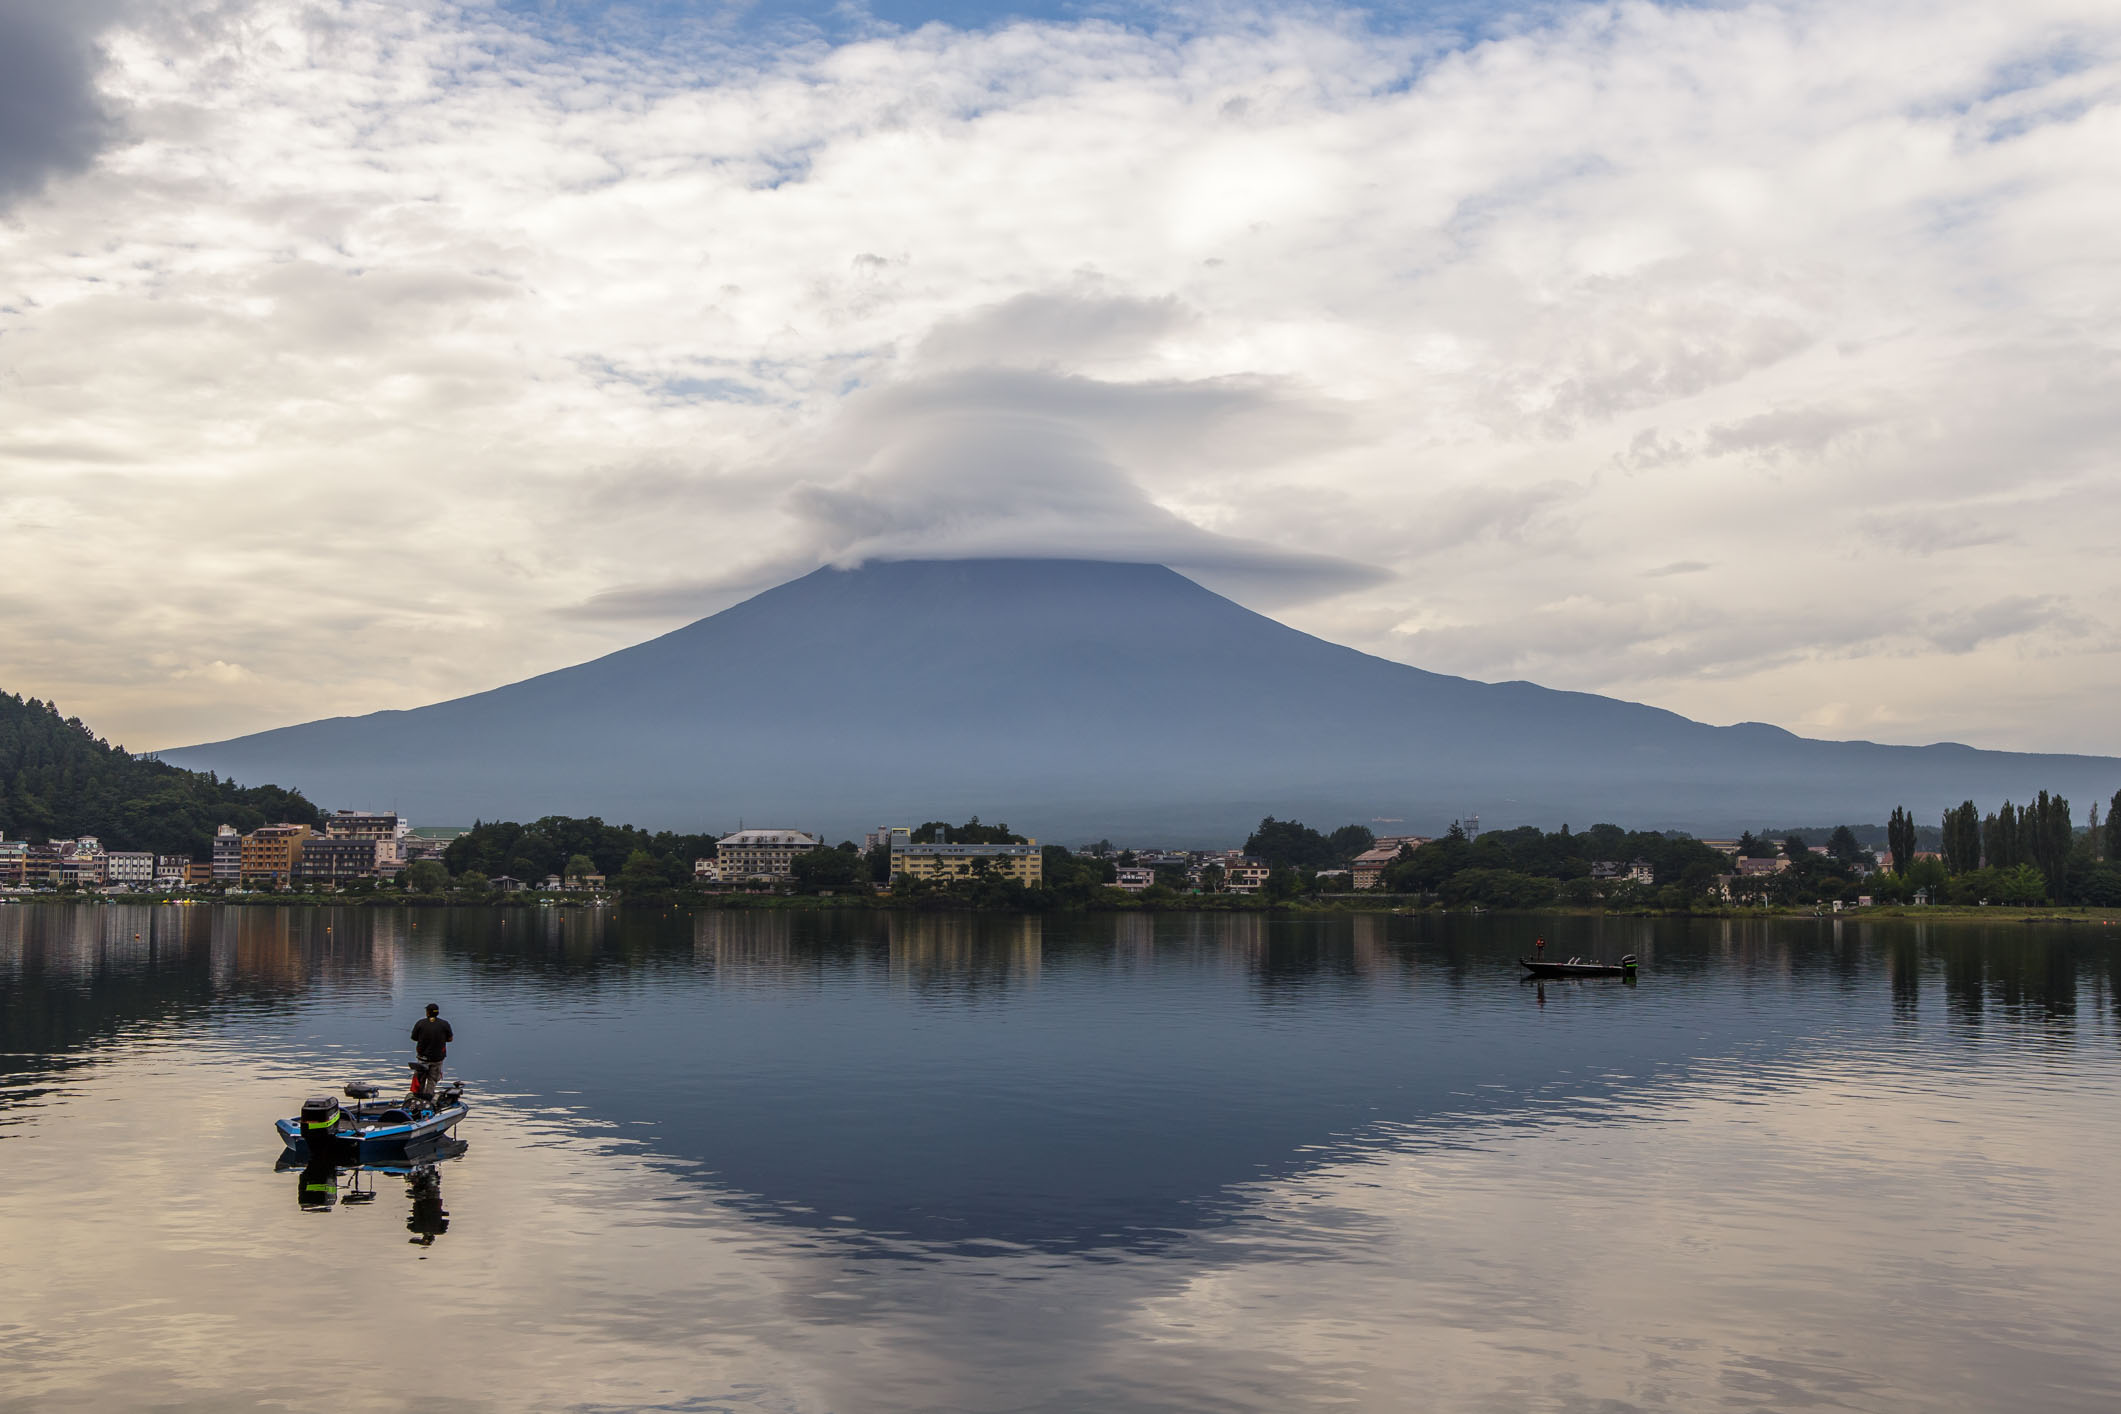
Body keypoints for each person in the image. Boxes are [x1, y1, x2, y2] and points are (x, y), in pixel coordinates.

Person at [410, 1003, 453, 1096]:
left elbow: (413, 1037)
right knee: (432, 1080)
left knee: (420, 1079)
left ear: (428, 1013)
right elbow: (450, 1039)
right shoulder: (444, 1024)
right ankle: (428, 1099)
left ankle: (417, 1098)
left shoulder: (420, 1023)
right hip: (437, 1058)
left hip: (422, 1058)